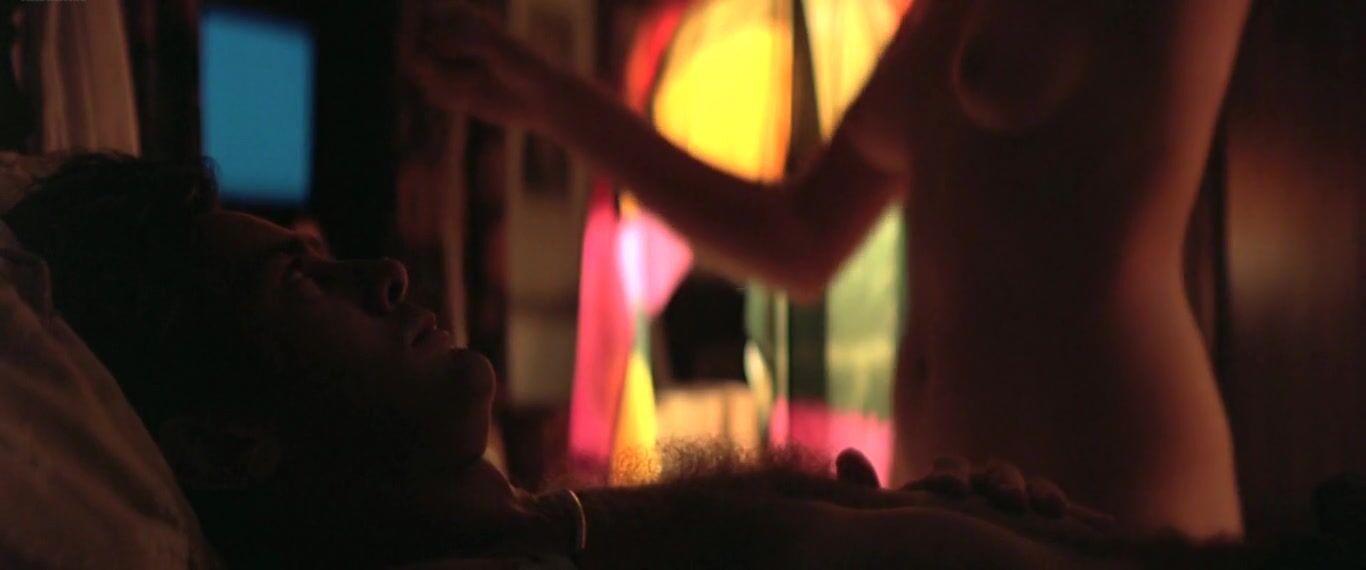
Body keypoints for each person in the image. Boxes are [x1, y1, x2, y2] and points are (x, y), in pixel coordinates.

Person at [8, 155, 1364, 569]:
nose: (387, 273)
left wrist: (919, 514)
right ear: (226, 442)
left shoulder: (546, 525)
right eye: (302, 282)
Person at [409, 0, 1249, 539]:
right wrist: (547, 98)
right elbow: (797, 236)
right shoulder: (935, 21)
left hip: (1108, 484)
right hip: (951, 500)